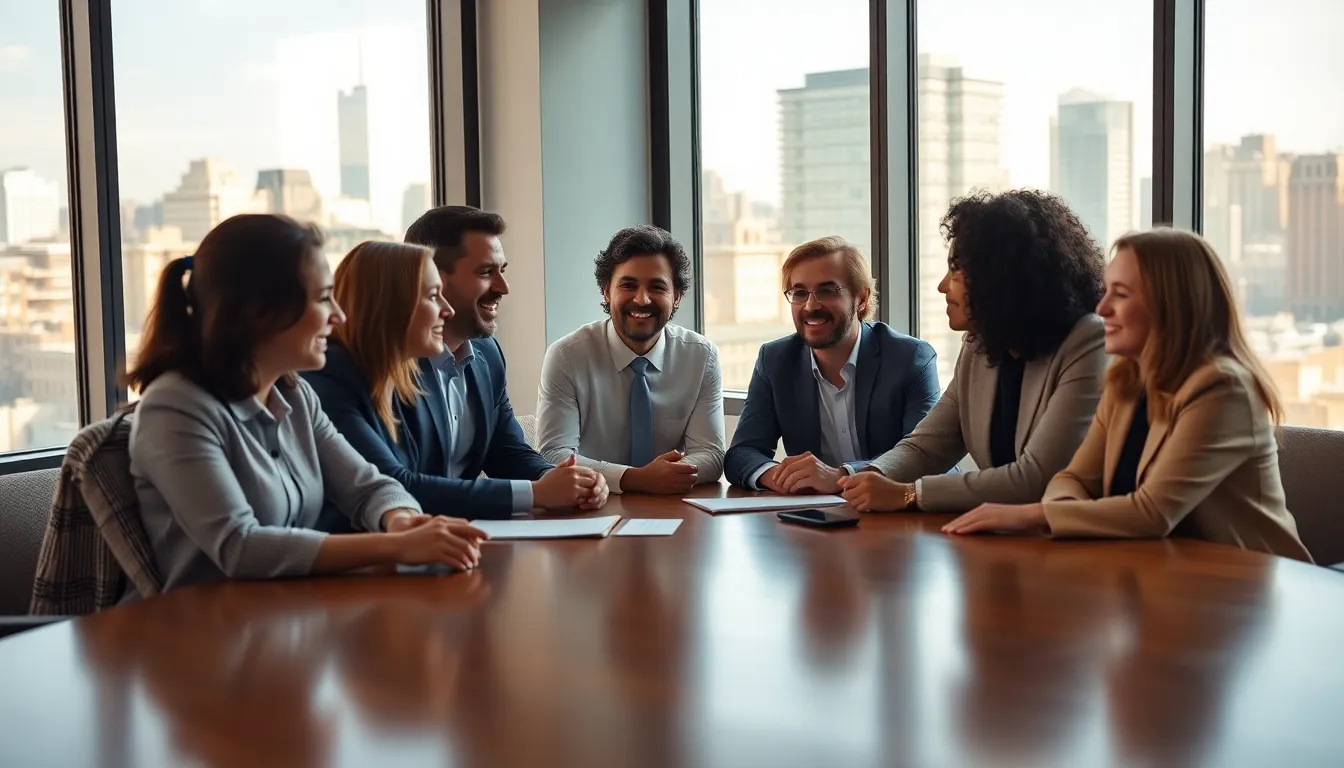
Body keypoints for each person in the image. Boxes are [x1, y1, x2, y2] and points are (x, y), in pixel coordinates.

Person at [126, 214, 488, 600]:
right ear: (262, 310)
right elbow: (239, 547)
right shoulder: (175, 407)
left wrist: (401, 521)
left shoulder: (295, 396)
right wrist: (396, 546)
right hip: (195, 636)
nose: (339, 315)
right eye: (322, 298)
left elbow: (370, 488)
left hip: (285, 621)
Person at [940, 229, 1313, 562]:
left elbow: (1153, 511)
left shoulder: (1222, 389)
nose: (1102, 309)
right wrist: (1065, 510)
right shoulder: (1127, 381)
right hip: (1163, 587)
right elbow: (1071, 478)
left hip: (1251, 596)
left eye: (1120, 295)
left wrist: (1033, 515)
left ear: (1170, 304)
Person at [838, 189, 1107, 513]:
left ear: (1000, 278)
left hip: (1083, 545)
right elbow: (926, 448)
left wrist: (910, 494)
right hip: (1003, 539)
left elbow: (1037, 478)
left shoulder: (1087, 341)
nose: (942, 286)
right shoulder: (980, 344)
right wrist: (868, 479)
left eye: (955, 271)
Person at [303, 239, 607, 521]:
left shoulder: (475, 355)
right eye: (434, 296)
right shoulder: (333, 372)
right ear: (390, 303)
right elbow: (395, 484)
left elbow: (504, 449)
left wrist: (564, 481)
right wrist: (537, 493)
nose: (446, 310)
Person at [723, 236, 940, 492]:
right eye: (799, 293)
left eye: (827, 291)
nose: (810, 306)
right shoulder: (775, 359)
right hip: (814, 519)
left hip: (893, 514)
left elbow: (929, 458)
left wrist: (841, 476)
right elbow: (741, 454)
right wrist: (782, 477)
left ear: (860, 299)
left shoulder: (910, 358)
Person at [535, 224, 726, 494]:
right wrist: (635, 479)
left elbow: (711, 454)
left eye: (657, 287)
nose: (642, 299)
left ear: (677, 296)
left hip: (672, 509)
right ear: (605, 291)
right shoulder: (567, 356)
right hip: (591, 504)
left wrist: (669, 474)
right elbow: (553, 455)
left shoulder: (700, 356)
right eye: (628, 285)